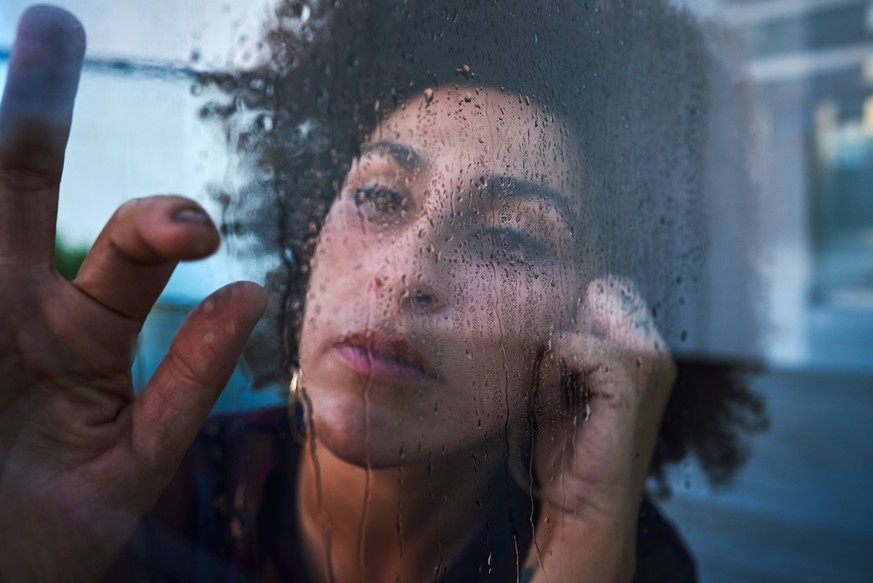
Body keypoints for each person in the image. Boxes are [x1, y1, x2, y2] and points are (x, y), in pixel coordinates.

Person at [0, 2, 765, 582]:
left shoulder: (622, 557)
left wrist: (582, 550)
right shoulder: (145, 495)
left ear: (599, 324)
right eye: (381, 197)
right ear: (312, 225)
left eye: (511, 238)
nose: (405, 274)